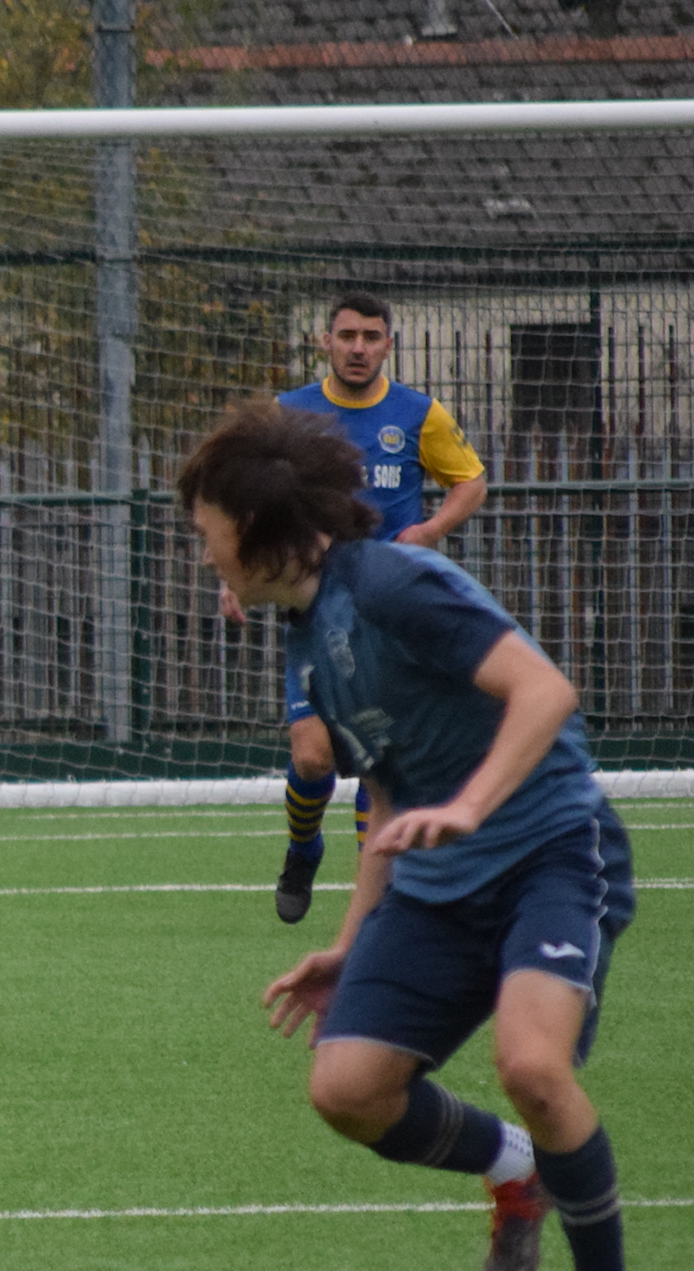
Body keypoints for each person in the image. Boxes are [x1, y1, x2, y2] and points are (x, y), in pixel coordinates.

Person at [182, 398, 642, 1271]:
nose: (205, 558)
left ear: (260, 529)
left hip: (548, 854)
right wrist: (351, 941)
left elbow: (543, 689)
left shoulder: (394, 581)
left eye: (209, 538)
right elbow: (384, 791)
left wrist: (473, 804)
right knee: (345, 1087)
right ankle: (511, 1167)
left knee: (531, 1062)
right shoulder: (309, 634)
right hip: (436, 887)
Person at [262, 290, 488, 925]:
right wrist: (243, 570)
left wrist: (430, 529)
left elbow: (470, 481)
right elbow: (255, 497)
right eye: (347, 336)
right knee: (313, 756)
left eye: (371, 337)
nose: (358, 347)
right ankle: (303, 847)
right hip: (313, 602)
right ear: (325, 342)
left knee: (378, 760)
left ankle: (379, 905)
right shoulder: (289, 415)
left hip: (390, 610)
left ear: (389, 344)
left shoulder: (419, 415)